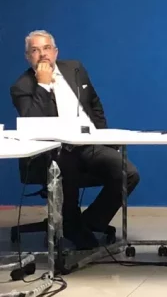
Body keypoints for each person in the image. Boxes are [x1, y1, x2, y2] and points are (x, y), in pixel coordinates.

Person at [10, 30, 140, 249]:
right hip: (52, 151)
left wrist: (104, 139)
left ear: (55, 51)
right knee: (67, 165)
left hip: (89, 144)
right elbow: (32, 121)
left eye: (47, 48)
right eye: (35, 50)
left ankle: (88, 222)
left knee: (128, 173)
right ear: (28, 57)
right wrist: (43, 85)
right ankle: (71, 223)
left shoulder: (75, 69)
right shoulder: (21, 86)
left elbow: (95, 105)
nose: (42, 54)